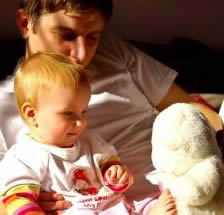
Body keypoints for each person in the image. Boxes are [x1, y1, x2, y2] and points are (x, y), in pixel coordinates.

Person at [0, 0, 222, 214]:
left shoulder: (114, 52)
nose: (81, 54)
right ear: (25, 23)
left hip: (188, 184)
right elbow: (9, 198)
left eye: (93, 37)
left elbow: (191, 110)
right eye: (66, 35)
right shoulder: (4, 108)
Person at [0, 52, 176, 215]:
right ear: (32, 114)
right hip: (78, 211)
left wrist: (115, 175)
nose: (80, 122)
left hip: (116, 206)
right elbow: (17, 199)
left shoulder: (89, 140)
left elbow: (110, 163)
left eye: (84, 112)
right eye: (68, 114)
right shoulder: (24, 156)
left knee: (150, 202)